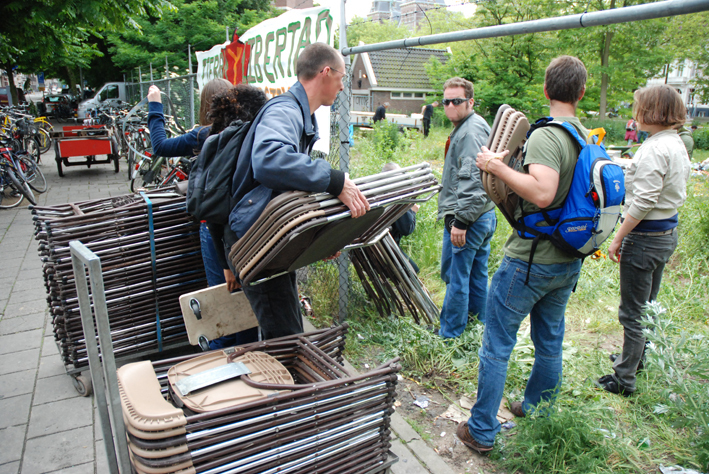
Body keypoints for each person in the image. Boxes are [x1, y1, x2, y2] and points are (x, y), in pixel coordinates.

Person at [457, 56, 588, 454]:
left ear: (547, 90)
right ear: (580, 93)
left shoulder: (549, 135)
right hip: (567, 259)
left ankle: (481, 430)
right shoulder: (585, 134)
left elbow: (543, 191)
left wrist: (494, 165)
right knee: (550, 340)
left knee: (497, 344)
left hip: (530, 260)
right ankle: (537, 410)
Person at [228, 42, 370, 340]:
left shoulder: (299, 113)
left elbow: (283, 190)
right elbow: (269, 161)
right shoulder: (286, 111)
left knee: (287, 330)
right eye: (342, 78)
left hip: (266, 237)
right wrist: (334, 180)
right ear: (326, 72)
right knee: (286, 339)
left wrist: (316, 241)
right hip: (254, 242)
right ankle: (280, 385)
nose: (343, 87)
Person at [147, 78, 261, 347]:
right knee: (243, 302)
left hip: (215, 230)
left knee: (222, 299)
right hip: (244, 224)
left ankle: (223, 360)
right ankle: (245, 356)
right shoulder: (248, 132)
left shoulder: (204, 134)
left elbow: (160, 146)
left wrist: (155, 106)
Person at [597, 85, 690, 396]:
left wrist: (618, 237)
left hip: (646, 237)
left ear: (653, 112)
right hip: (666, 234)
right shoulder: (675, 143)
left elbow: (644, 200)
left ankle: (624, 379)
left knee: (633, 311)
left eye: (639, 109)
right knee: (648, 305)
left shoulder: (653, 149)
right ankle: (635, 358)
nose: (634, 116)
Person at [437, 77, 496, 339]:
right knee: (476, 275)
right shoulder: (467, 126)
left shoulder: (471, 132)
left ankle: (450, 335)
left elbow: (474, 179)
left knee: (456, 277)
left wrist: (460, 221)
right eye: (446, 101)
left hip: (469, 218)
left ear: (470, 101)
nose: (450, 106)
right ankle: (475, 326)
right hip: (482, 214)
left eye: (457, 101)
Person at [383, 163, 420, 273]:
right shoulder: (396, 198)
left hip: (379, 247)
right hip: (387, 249)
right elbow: (407, 229)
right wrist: (412, 211)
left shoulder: (380, 193)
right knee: (414, 271)